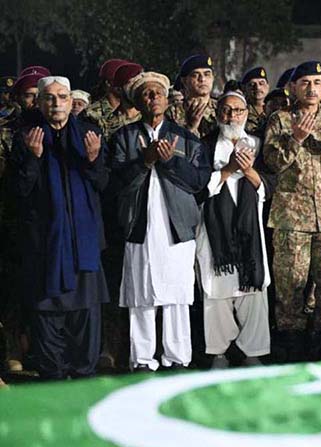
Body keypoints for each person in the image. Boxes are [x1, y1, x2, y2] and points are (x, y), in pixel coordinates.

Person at [9, 76, 109, 379]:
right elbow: (17, 192)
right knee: (49, 344)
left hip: (83, 250)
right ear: (39, 103)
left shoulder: (90, 134)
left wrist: (92, 160)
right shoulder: (26, 137)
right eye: (49, 98)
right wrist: (33, 159)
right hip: (45, 251)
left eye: (62, 97)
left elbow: (103, 184)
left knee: (85, 336)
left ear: (71, 102)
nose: (56, 103)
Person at [111, 71, 211, 371]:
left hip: (176, 229)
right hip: (139, 227)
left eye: (158, 93)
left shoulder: (186, 139)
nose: (153, 98)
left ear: (167, 100)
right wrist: (146, 161)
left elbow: (198, 182)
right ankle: (142, 359)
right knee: (141, 294)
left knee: (177, 295)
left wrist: (169, 161)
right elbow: (116, 183)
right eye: (146, 94)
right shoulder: (124, 138)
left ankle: (177, 358)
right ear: (138, 102)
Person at [262, 61, 321, 361]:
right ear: (293, 87)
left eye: (317, 83)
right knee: (290, 286)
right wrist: (297, 139)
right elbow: (273, 163)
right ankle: (291, 346)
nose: (313, 89)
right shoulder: (280, 119)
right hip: (292, 217)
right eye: (306, 83)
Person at [197, 91, 274, 368]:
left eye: (238, 111)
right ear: (218, 114)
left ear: (246, 113)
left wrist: (250, 172)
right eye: (227, 111)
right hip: (215, 230)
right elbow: (198, 186)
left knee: (253, 292)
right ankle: (218, 353)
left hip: (249, 228)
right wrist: (229, 169)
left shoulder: (256, 143)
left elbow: (269, 185)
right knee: (216, 291)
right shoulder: (204, 146)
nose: (232, 116)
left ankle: (253, 352)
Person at [166, 55, 218, 138]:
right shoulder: (172, 112)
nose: (202, 79)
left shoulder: (221, 108)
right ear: (184, 81)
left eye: (207, 74)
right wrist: (190, 128)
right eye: (195, 75)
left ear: (213, 78)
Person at [241, 66, 270, 133]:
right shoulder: (241, 110)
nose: (257, 87)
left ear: (268, 86)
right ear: (245, 88)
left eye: (261, 83)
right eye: (252, 84)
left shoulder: (274, 108)